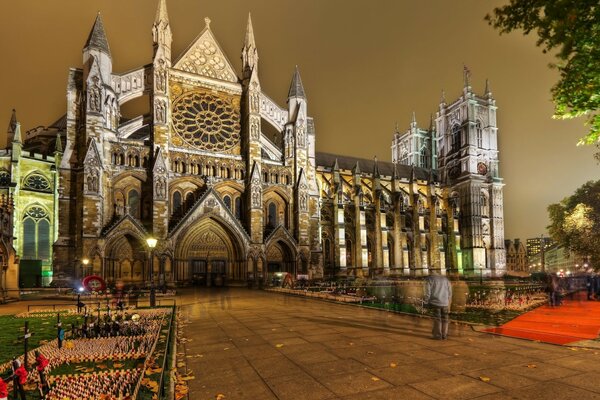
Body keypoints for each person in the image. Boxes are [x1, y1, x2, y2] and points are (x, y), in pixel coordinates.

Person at [423, 270, 452, 340]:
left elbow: (427, 293)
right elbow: (450, 292)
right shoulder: (445, 279)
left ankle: (438, 335)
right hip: (445, 303)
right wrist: (448, 302)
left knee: (437, 319)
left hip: (435, 302)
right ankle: (444, 335)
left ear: (430, 272)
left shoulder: (429, 279)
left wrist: (426, 302)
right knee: (445, 319)